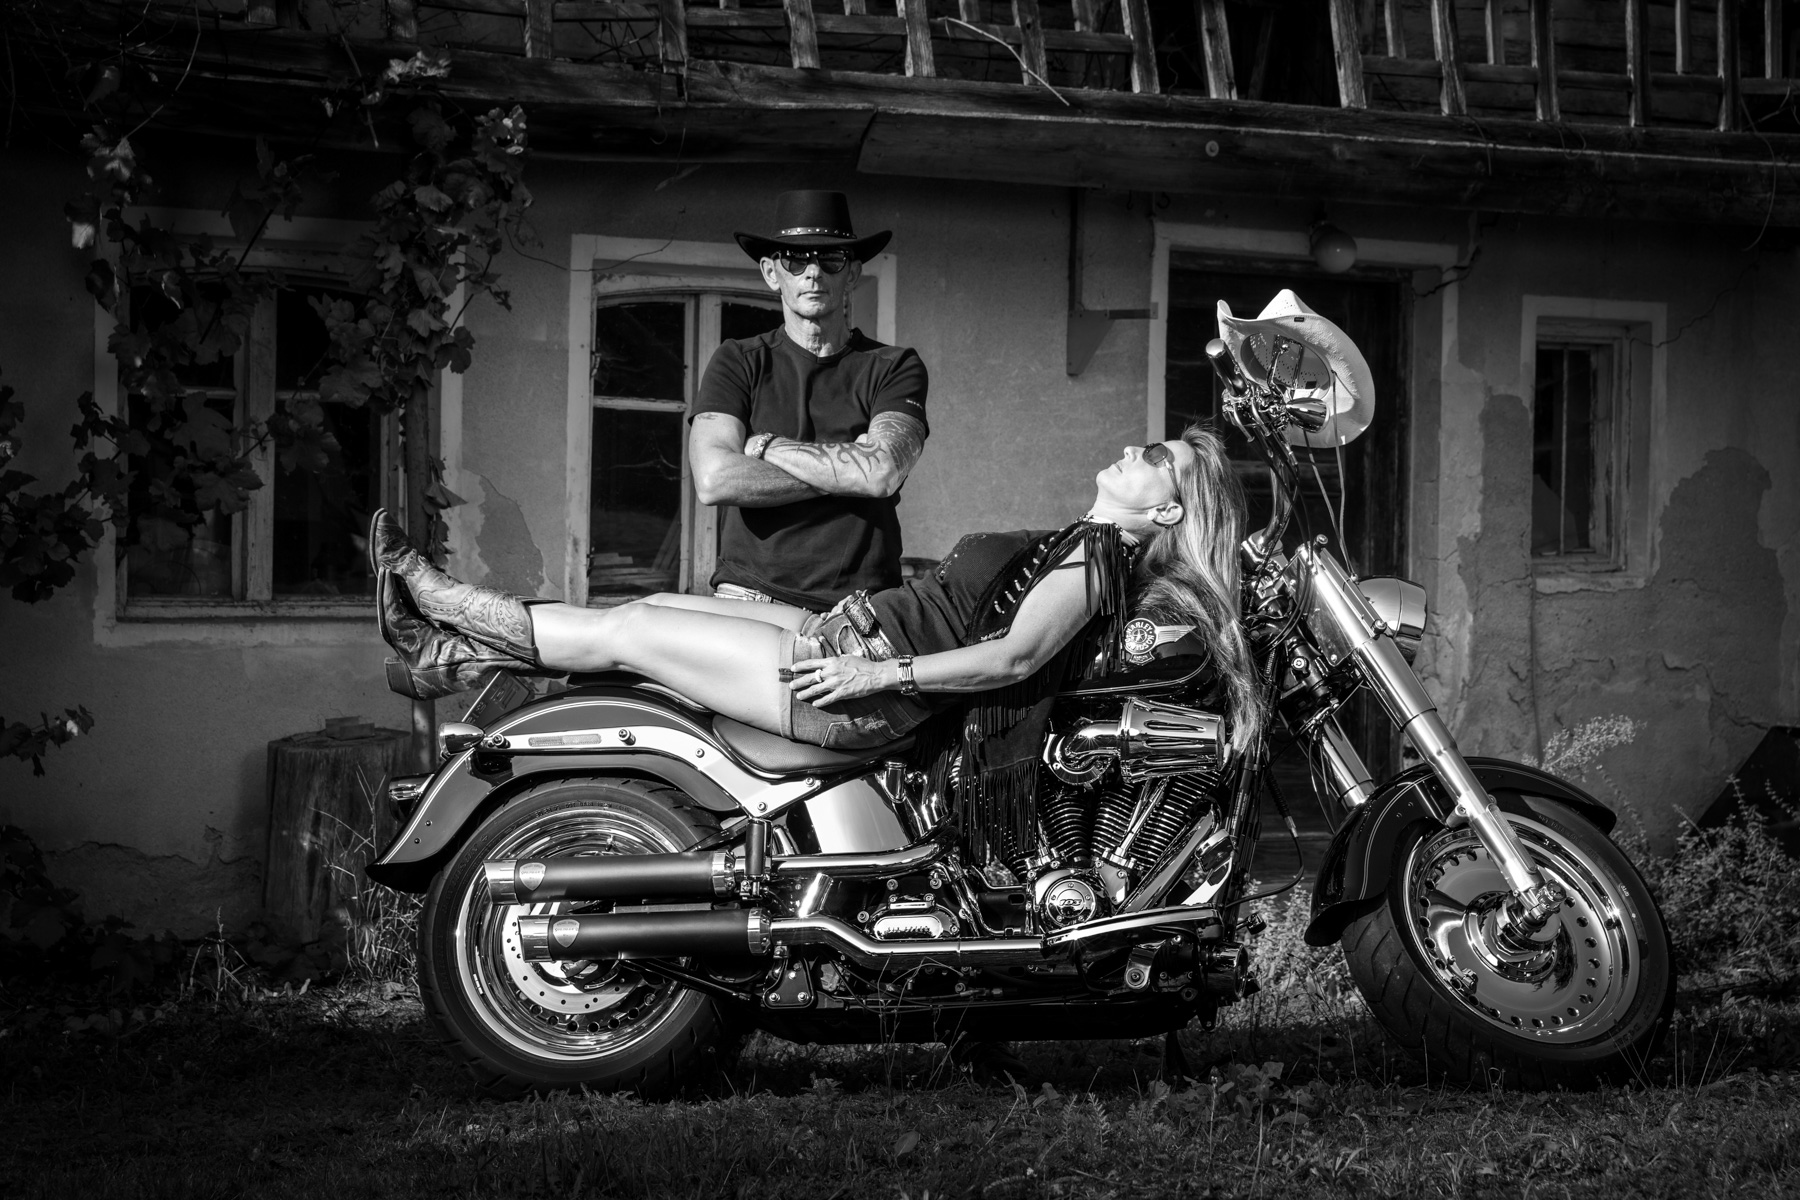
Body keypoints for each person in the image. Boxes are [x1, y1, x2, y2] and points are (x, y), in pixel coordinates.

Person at [372, 425, 1262, 760]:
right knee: (642, 615)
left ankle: (438, 602)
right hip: (847, 632)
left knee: (632, 629)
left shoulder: (1099, 560)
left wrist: (879, 676)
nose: (1135, 449)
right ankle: (445, 651)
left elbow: (1012, 659)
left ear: (1169, 509)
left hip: (858, 677)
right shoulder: (1080, 540)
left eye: (1157, 458)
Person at [688, 189, 929, 611]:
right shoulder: (737, 360)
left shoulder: (894, 366)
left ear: (852, 273)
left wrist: (766, 447)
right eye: (796, 260)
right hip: (751, 598)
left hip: (861, 608)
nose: (813, 272)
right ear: (771, 272)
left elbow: (881, 473)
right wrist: (848, 471)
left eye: (831, 258)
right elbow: (714, 479)